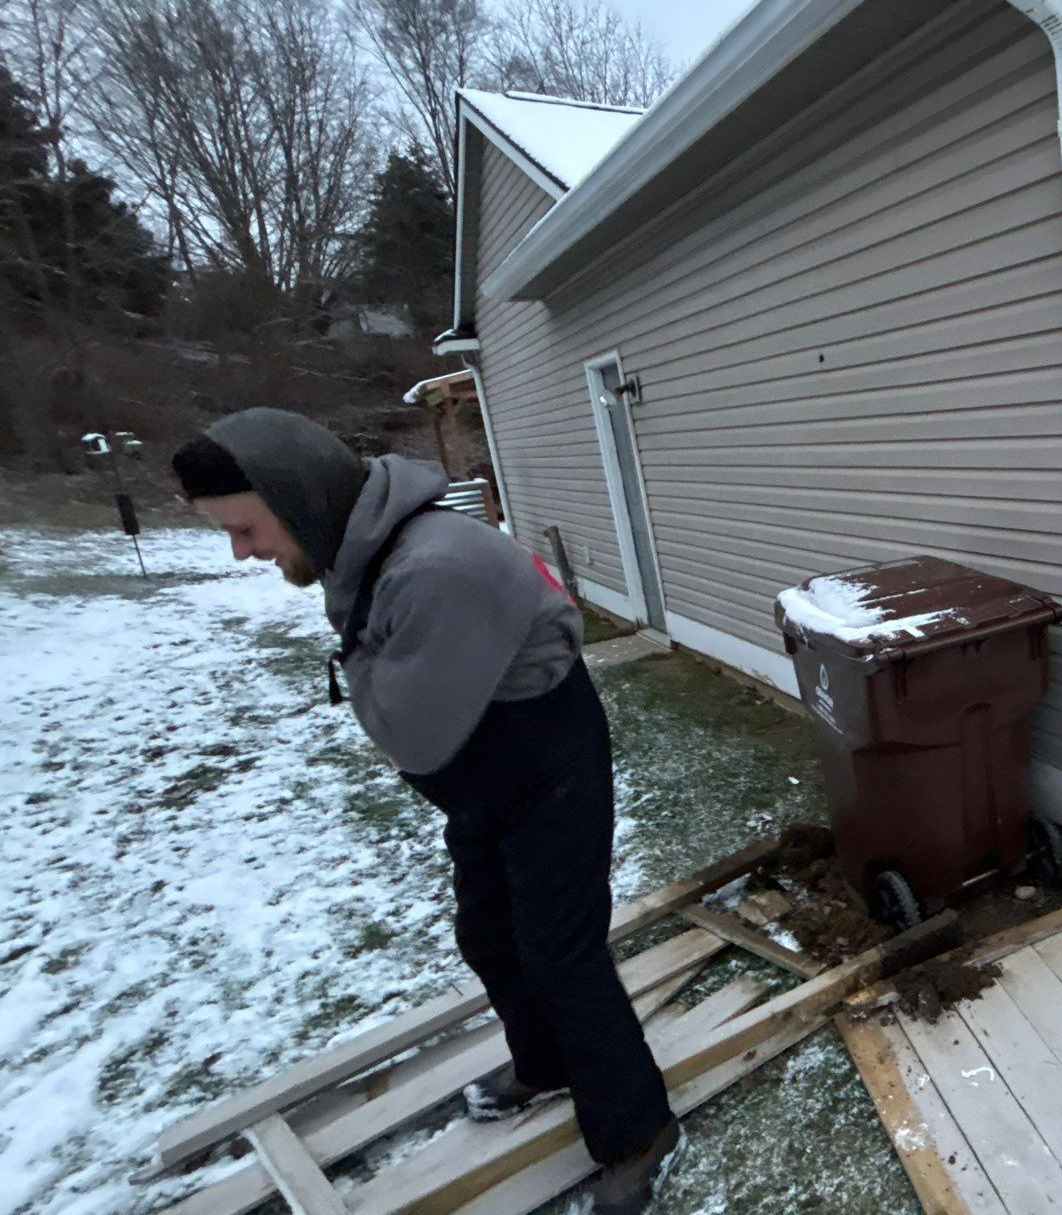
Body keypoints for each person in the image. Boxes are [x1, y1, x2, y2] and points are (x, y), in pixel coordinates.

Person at [171, 407, 683, 1215]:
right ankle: (546, 1064)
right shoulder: (366, 551)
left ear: (296, 498)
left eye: (244, 527)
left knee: (561, 951)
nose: (244, 552)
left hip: (545, 760)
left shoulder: (431, 568)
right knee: (486, 930)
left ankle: (639, 1130)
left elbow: (410, 737)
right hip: (493, 763)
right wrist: (374, 659)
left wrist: (363, 662)